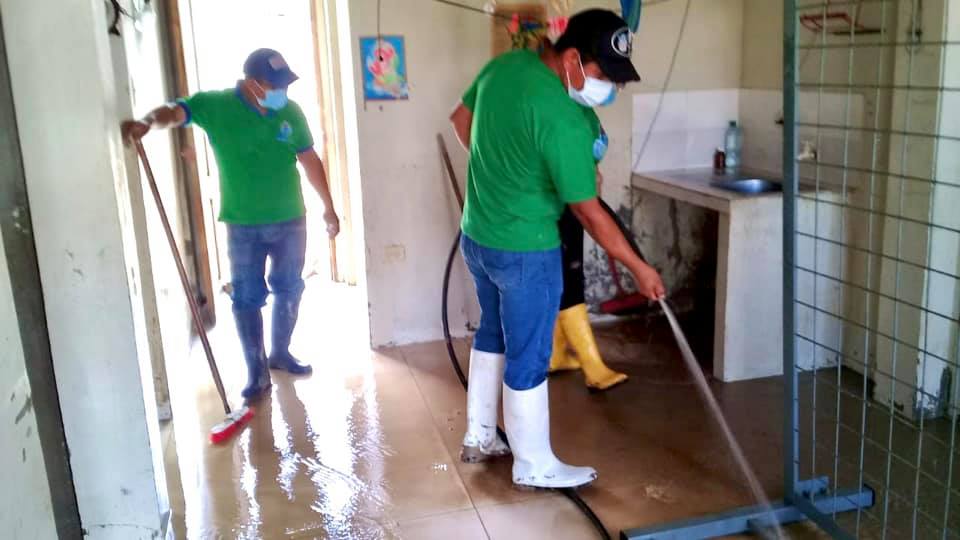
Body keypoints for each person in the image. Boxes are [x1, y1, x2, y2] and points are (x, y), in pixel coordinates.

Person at [449, 9, 665, 489]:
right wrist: (638, 267)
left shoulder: (504, 67)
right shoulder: (563, 119)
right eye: (604, 74)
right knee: (529, 353)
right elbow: (589, 212)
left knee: (493, 333)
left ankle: (480, 436)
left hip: (478, 236)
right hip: (526, 250)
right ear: (571, 59)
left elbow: (461, 120)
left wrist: (498, 174)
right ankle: (534, 464)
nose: (609, 87)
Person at [122, 48, 340, 402]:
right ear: (251, 83)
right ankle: (257, 373)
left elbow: (310, 159)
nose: (281, 92)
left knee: (290, 288)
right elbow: (176, 112)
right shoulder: (216, 106)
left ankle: (280, 353)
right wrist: (147, 122)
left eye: (284, 85)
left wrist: (328, 208)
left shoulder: (291, 111)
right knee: (247, 297)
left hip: (290, 220)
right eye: (274, 85)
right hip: (242, 225)